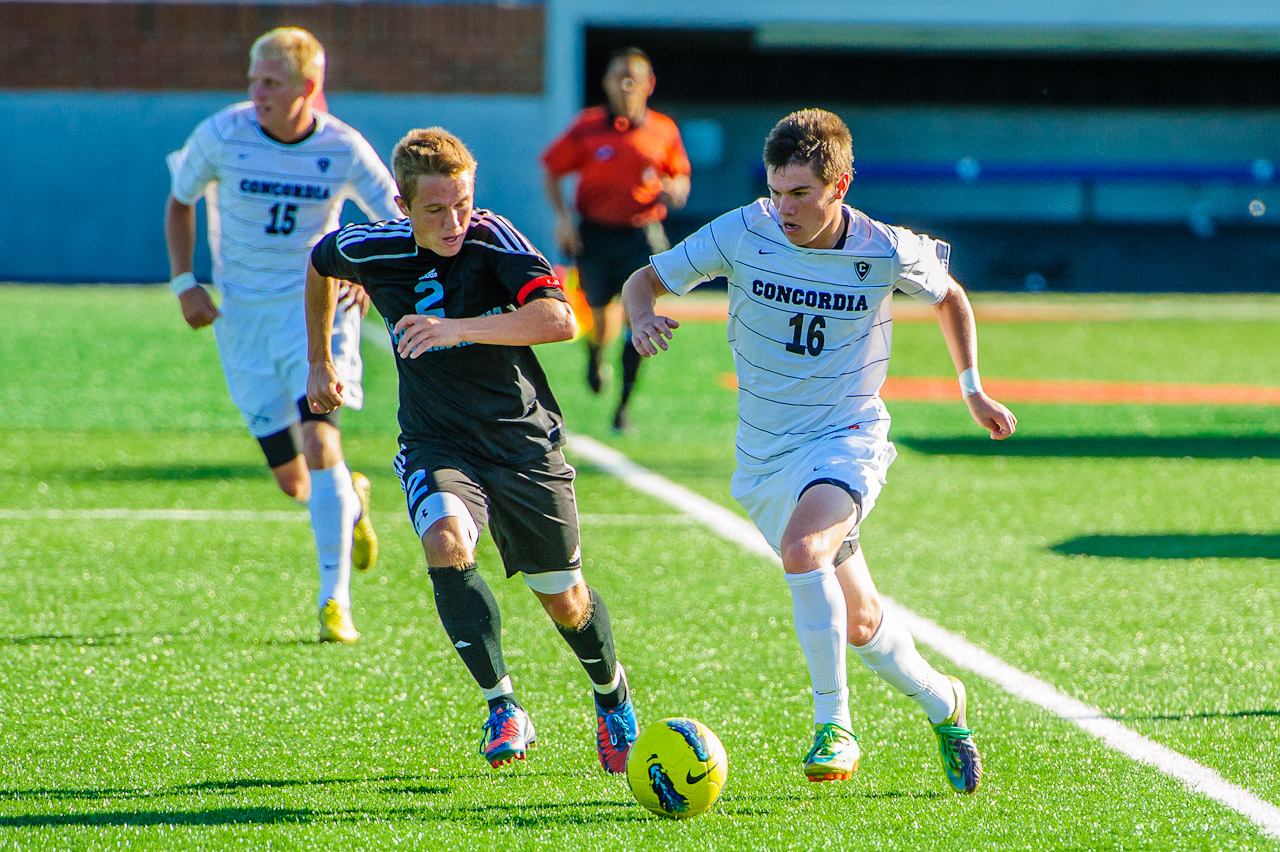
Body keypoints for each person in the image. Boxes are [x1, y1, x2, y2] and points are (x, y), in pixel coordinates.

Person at [622, 108, 1017, 792]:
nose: (784, 208)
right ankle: (944, 702)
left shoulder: (884, 247)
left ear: (840, 185)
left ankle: (834, 725)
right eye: (777, 190)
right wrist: (639, 318)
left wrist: (973, 390)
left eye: (800, 193)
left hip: (847, 438)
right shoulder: (744, 230)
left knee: (804, 552)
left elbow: (950, 297)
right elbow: (643, 279)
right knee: (861, 623)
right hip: (765, 460)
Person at [305, 127, 640, 772]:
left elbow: (560, 320)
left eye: (463, 201)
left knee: (564, 599)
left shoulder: (491, 237)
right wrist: (320, 362)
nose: (456, 220)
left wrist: (456, 330)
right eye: (436, 209)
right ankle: (502, 705)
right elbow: (321, 263)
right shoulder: (372, 247)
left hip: (523, 443)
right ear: (402, 209)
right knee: (447, 542)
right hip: (438, 442)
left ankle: (610, 691)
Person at [164, 27, 400, 644]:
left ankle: (334, 603)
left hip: (315, 316)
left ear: (307, 88)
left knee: (322, 443)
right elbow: (180, 199)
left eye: (270, 83)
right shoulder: (222, 134)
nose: (256, 92)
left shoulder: (344, 148)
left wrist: (371, 275)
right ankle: (348, 502)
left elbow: (396, 221)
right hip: (242, 320)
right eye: (253, 80)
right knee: (296, 481)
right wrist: (185, 280)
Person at [541, 46, 691, 432]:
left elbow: (681, 179)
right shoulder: (587, 127)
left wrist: (674, 188)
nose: (625, 86)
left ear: (648, 84)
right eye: (617, 77)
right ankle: (594, 355)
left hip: (641, 234)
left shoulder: (663, 130)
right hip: (594, 233)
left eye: (633, 78)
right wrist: (563, 220)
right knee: (597, 312)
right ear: (606, 83)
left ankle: (623, 406)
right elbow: (552, 169)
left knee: (638, 317)